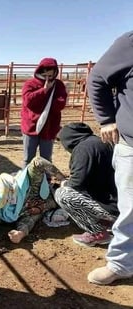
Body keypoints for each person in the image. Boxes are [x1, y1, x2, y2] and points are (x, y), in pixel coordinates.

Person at [86, 30, 133, 285]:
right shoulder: (130, 43)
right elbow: (97, 79)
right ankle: (121, 263)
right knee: (131, 210)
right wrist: (106, 120)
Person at [0, 156, 67, 244]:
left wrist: (20, 234)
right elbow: (38, 162)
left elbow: (28, 222)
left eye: (52, 204)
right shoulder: (36, 186)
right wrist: (62, 178)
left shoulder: (37, 209)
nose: (47, 204)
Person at [54, 122, 118, 247]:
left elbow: (77, 183)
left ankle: (98, 233)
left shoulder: (83, 149)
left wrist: (64, 183)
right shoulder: (100, 142)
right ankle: (108, 223)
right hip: (121, 203)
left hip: (111, 206)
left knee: (63, 194)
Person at [20, 58, 68, 167]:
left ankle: (46, 182)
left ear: (55, 73)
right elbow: (28, 101)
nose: (47, 78)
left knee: (46, 159)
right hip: (31, 127)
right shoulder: (30, 84)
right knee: (28, 158)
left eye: (50, 76)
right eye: (45, 75)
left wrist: (47, 104)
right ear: (40, 71)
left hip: (49, 128)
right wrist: (44, 91)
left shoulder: (58, 85)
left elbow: (61, 103)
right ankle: (26, 182)